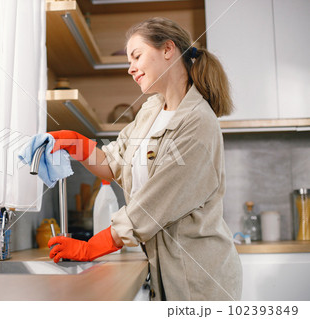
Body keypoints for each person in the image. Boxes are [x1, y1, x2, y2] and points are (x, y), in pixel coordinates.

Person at [45, 17, 242, 301]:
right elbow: (113, 162)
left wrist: (90, 248)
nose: (130, 68)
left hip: (198, 282)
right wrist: (75, 143)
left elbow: (153, 205)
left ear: (168, 49)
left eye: (136, 55)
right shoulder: (151, 110)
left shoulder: (197, 122)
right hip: (165, 271)